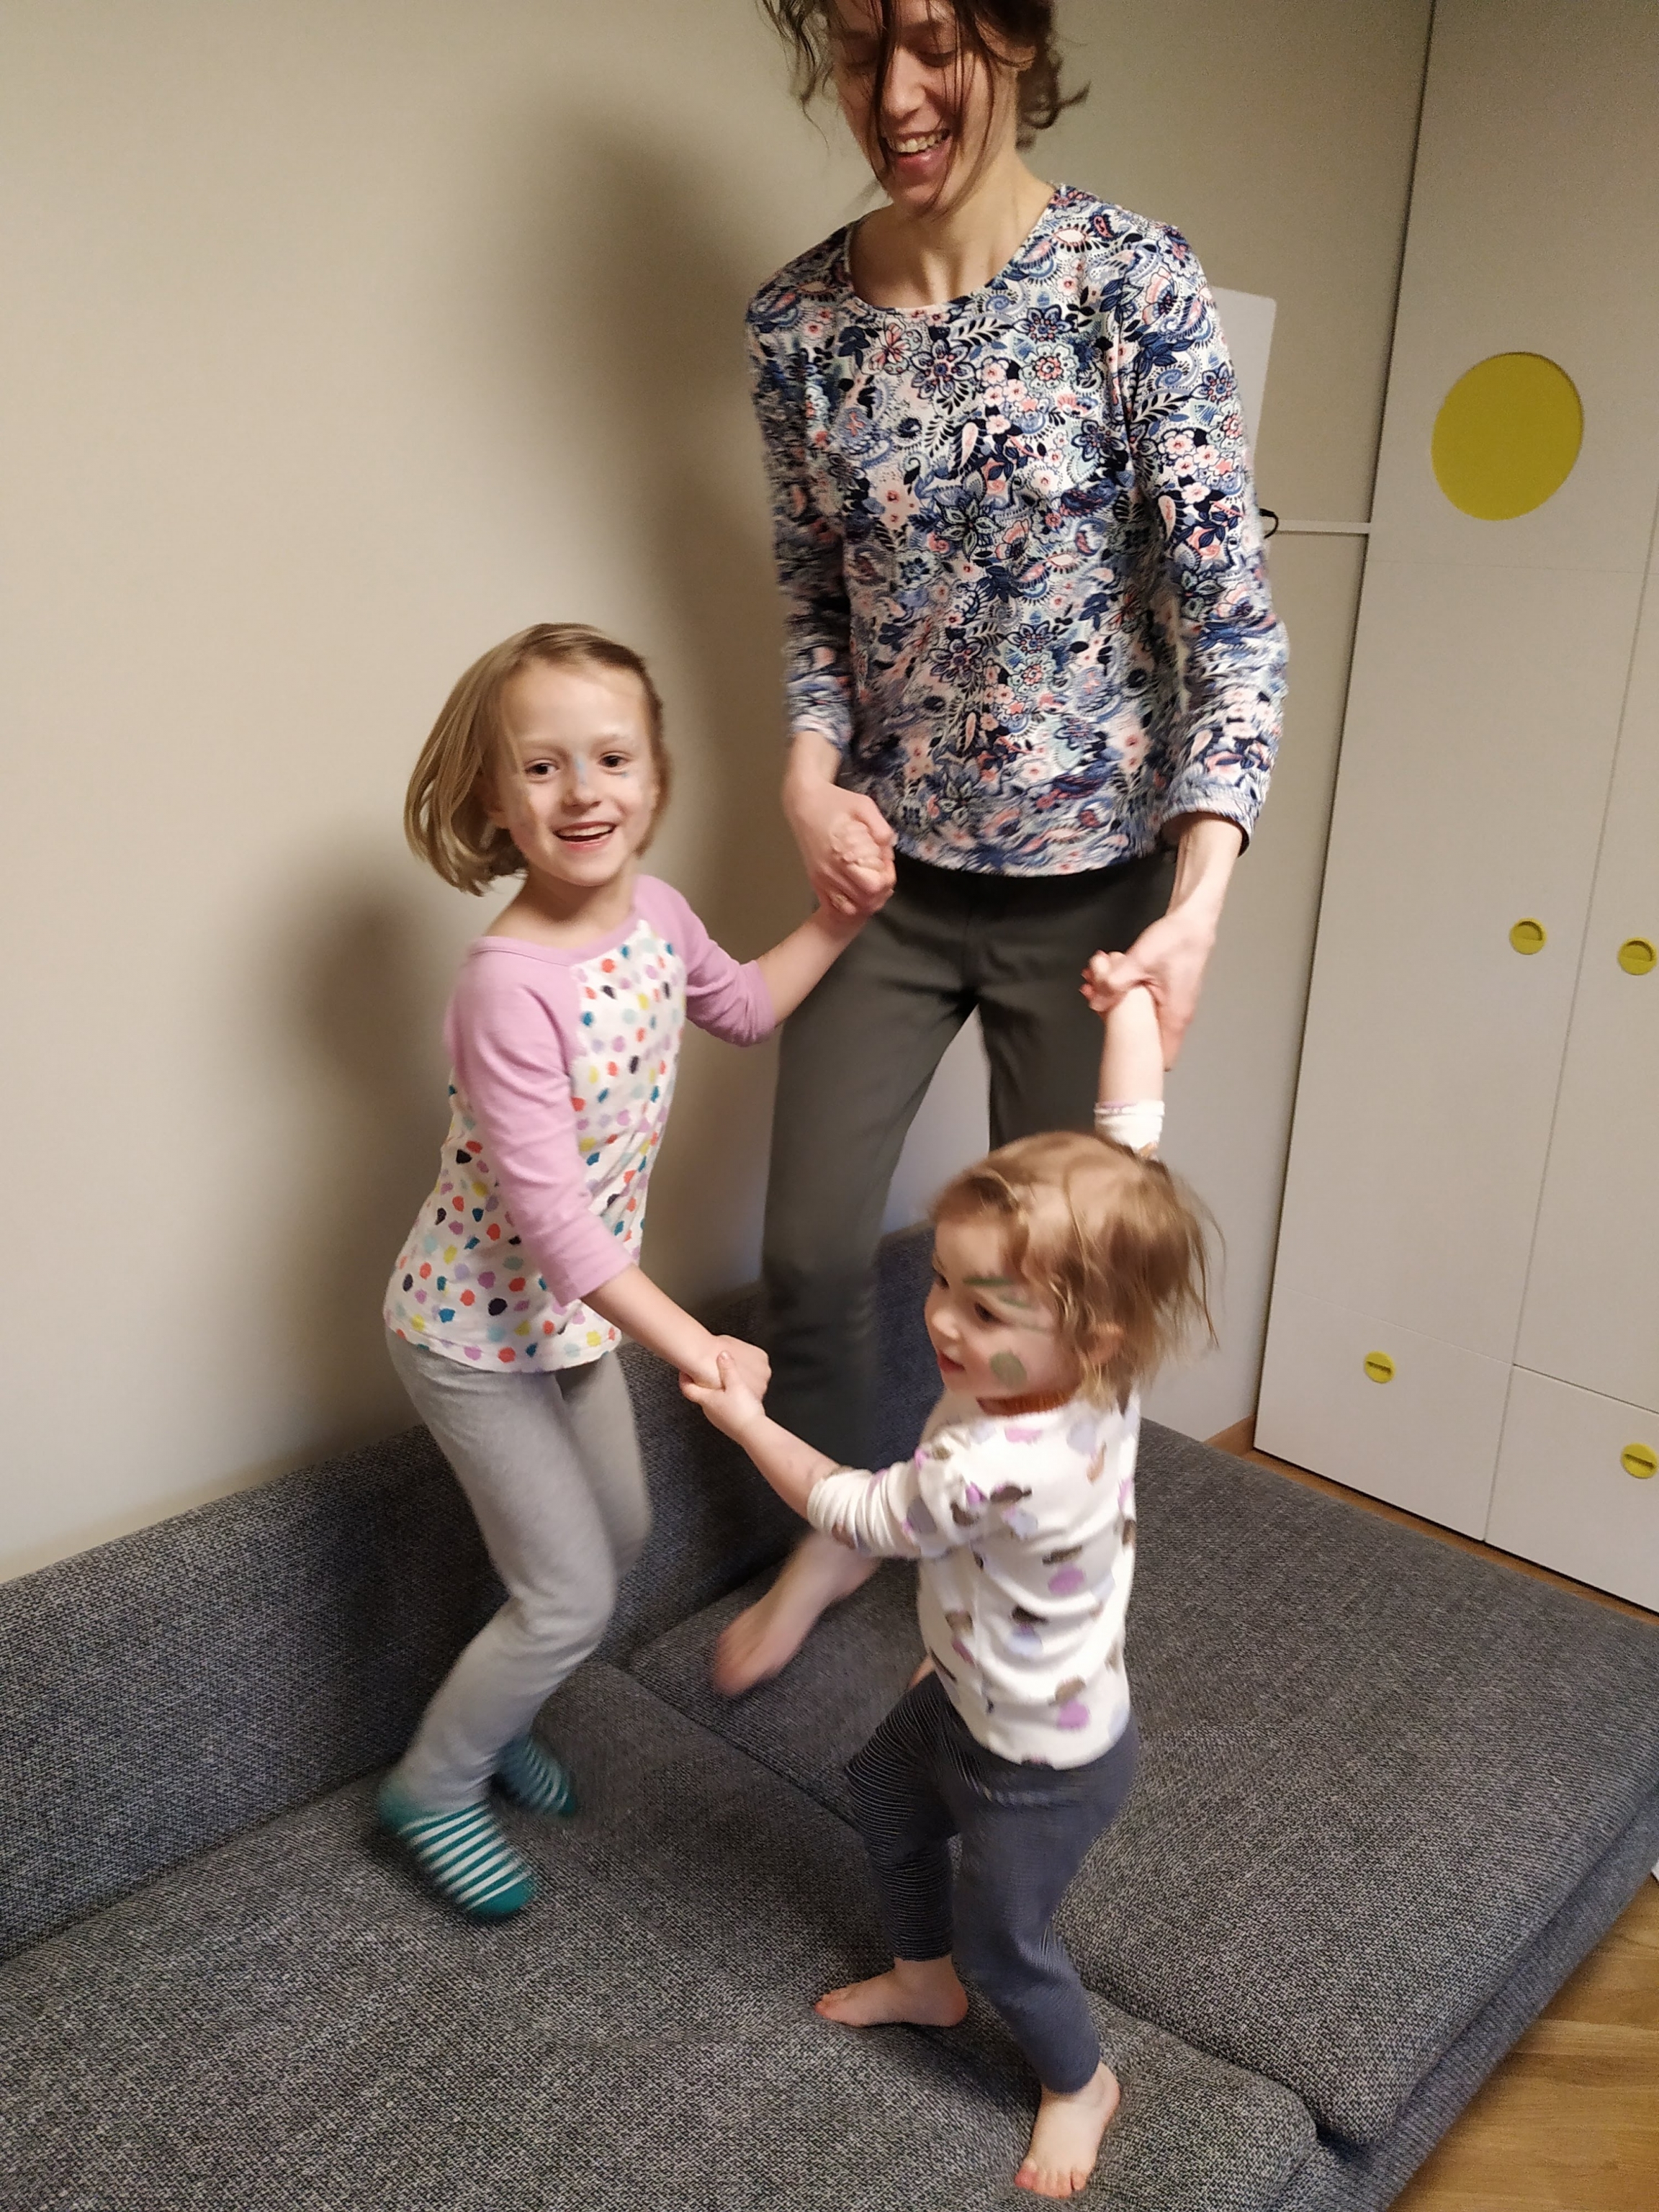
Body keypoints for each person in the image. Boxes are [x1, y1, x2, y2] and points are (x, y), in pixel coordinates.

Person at [715, 0, 1285, 1693]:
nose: (895, 94)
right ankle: (838, 1537)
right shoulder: (797, 324)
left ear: (1022, 41)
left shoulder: (1130, 281)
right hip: (884, 889)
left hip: (1094, 902)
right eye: (860, 43)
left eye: (939, 39)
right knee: (813, 1253)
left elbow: (1230, 627)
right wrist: (807, 780)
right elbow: (816, 606)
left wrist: (1197, 899)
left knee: (1069, 1303)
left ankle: (1009, 1607)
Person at [377, 621, 879, 1917]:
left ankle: (498, 1714)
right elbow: (563, 1232)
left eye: (612, 758)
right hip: (471, 1336)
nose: (583, 790)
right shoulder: (507, 986)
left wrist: (836, 919)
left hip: (572, 1328)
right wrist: (700, 1349)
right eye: (541, 768)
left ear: (657, 779)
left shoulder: (657, 916)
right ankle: (434, 1783)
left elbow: (748, 1007)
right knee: (568, 1593)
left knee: (621, 1533)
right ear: (496, 799)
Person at [683, 973, 1208, 2199]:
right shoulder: (1096, 1360)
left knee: (1009, 1943)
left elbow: (852, 1508)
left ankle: (1080, 2082)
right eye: (942, 1285)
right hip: (969, 1689)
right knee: (880, 1793)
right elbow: (1133, 1131)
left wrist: (750, 1421)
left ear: (1098, 1339)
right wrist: (1132, 999)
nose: (947, 1326)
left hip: (1042, 1762)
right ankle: (925, 1980)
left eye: (988, 1308)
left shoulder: (998, 1462)